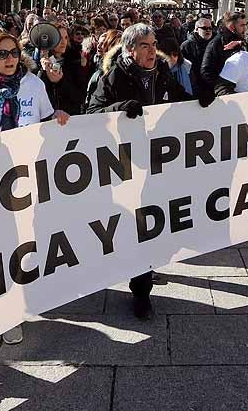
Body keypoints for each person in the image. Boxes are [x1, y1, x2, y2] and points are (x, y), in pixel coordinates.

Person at [0, 29, 68, 347]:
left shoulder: (34, 84)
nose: (9, 60)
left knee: (24, 241)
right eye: (1, 54)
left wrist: (58, 117)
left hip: (27, 174)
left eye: (13, 53)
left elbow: (47, 119)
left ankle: (17, 306)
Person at [87, 23, 189, 319]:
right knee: (136, 226)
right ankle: (141, 291)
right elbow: (93, 113)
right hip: (125, 165)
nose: (151, 50)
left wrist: (205, 100)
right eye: (145, 45)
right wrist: (120, 107)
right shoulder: (113, 75)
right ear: (130, 49)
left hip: (158, 161)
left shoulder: (162, 72)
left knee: (152, 223)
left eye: (153, 43)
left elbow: (179, 96)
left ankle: (144, 273)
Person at [197, 12, 247, 103]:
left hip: (242, 92)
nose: (245, 28)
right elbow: (206, 71)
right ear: (232, 27)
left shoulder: (241, 40)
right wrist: (223, 87)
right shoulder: (216, 44)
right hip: (224, 98)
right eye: (242, 25)